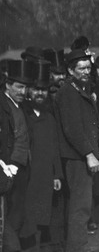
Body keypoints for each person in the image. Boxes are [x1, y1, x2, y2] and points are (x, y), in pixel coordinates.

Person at [54, 49, 99, 252]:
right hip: (76, 156)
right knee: (80, 205)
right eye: (81, 68)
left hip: (80, 154)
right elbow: (73, 129)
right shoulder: (68, 92)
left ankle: (76, 244)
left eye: (88, 67)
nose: (86, 71)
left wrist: (95, 150)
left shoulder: (79, 88)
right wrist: (89, 154)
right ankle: (77, 247)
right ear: (70, 70)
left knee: (79, 203)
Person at [21, 61, 63, 251]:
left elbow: (55, 147)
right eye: (36, 89)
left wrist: (57, 175)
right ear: (29, 90)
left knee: (44, 217)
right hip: (28, 177)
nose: (40, 94)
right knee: (27, 220)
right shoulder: (23, 114)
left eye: (44, 90)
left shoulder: (49, 117)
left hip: (46, 176)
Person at [1, 60, 32, 251]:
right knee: (7, 219)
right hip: (8, 170)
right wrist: (8, 166)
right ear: (8, 85)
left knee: (17, 215)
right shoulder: (3, 107)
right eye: (19, 87)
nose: (23, 91)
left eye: (25, 87)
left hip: (20, 169)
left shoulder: (20, 106)